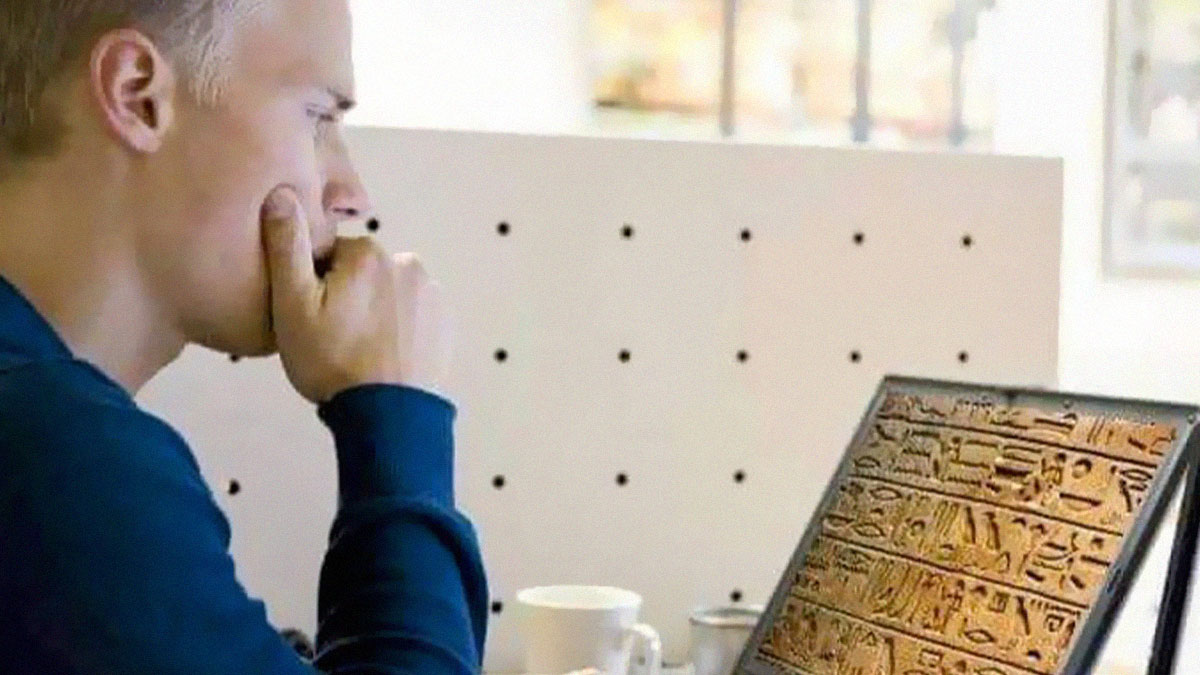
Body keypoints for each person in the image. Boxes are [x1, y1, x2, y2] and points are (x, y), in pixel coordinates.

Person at [0, 1, 488, 673]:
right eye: (318, 117)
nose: (352, 195)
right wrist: (396, 418)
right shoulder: (53, 451)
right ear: (137, 95)